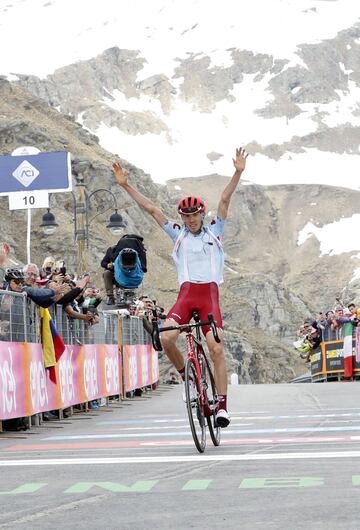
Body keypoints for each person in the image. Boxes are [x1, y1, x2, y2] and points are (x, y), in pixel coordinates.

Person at [112, 147, 249, 428]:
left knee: (217, 349)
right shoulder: (177, 234)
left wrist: (237, 172)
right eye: (186, 216)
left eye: (194, 215)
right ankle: (188, 376)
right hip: (186, 296)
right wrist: (126, 186)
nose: (190, 220)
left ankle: (222, 406)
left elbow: (225, 199)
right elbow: (151, 209)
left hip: (209, 296)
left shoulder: (215, 231)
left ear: (201, 214)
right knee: (165, 339)